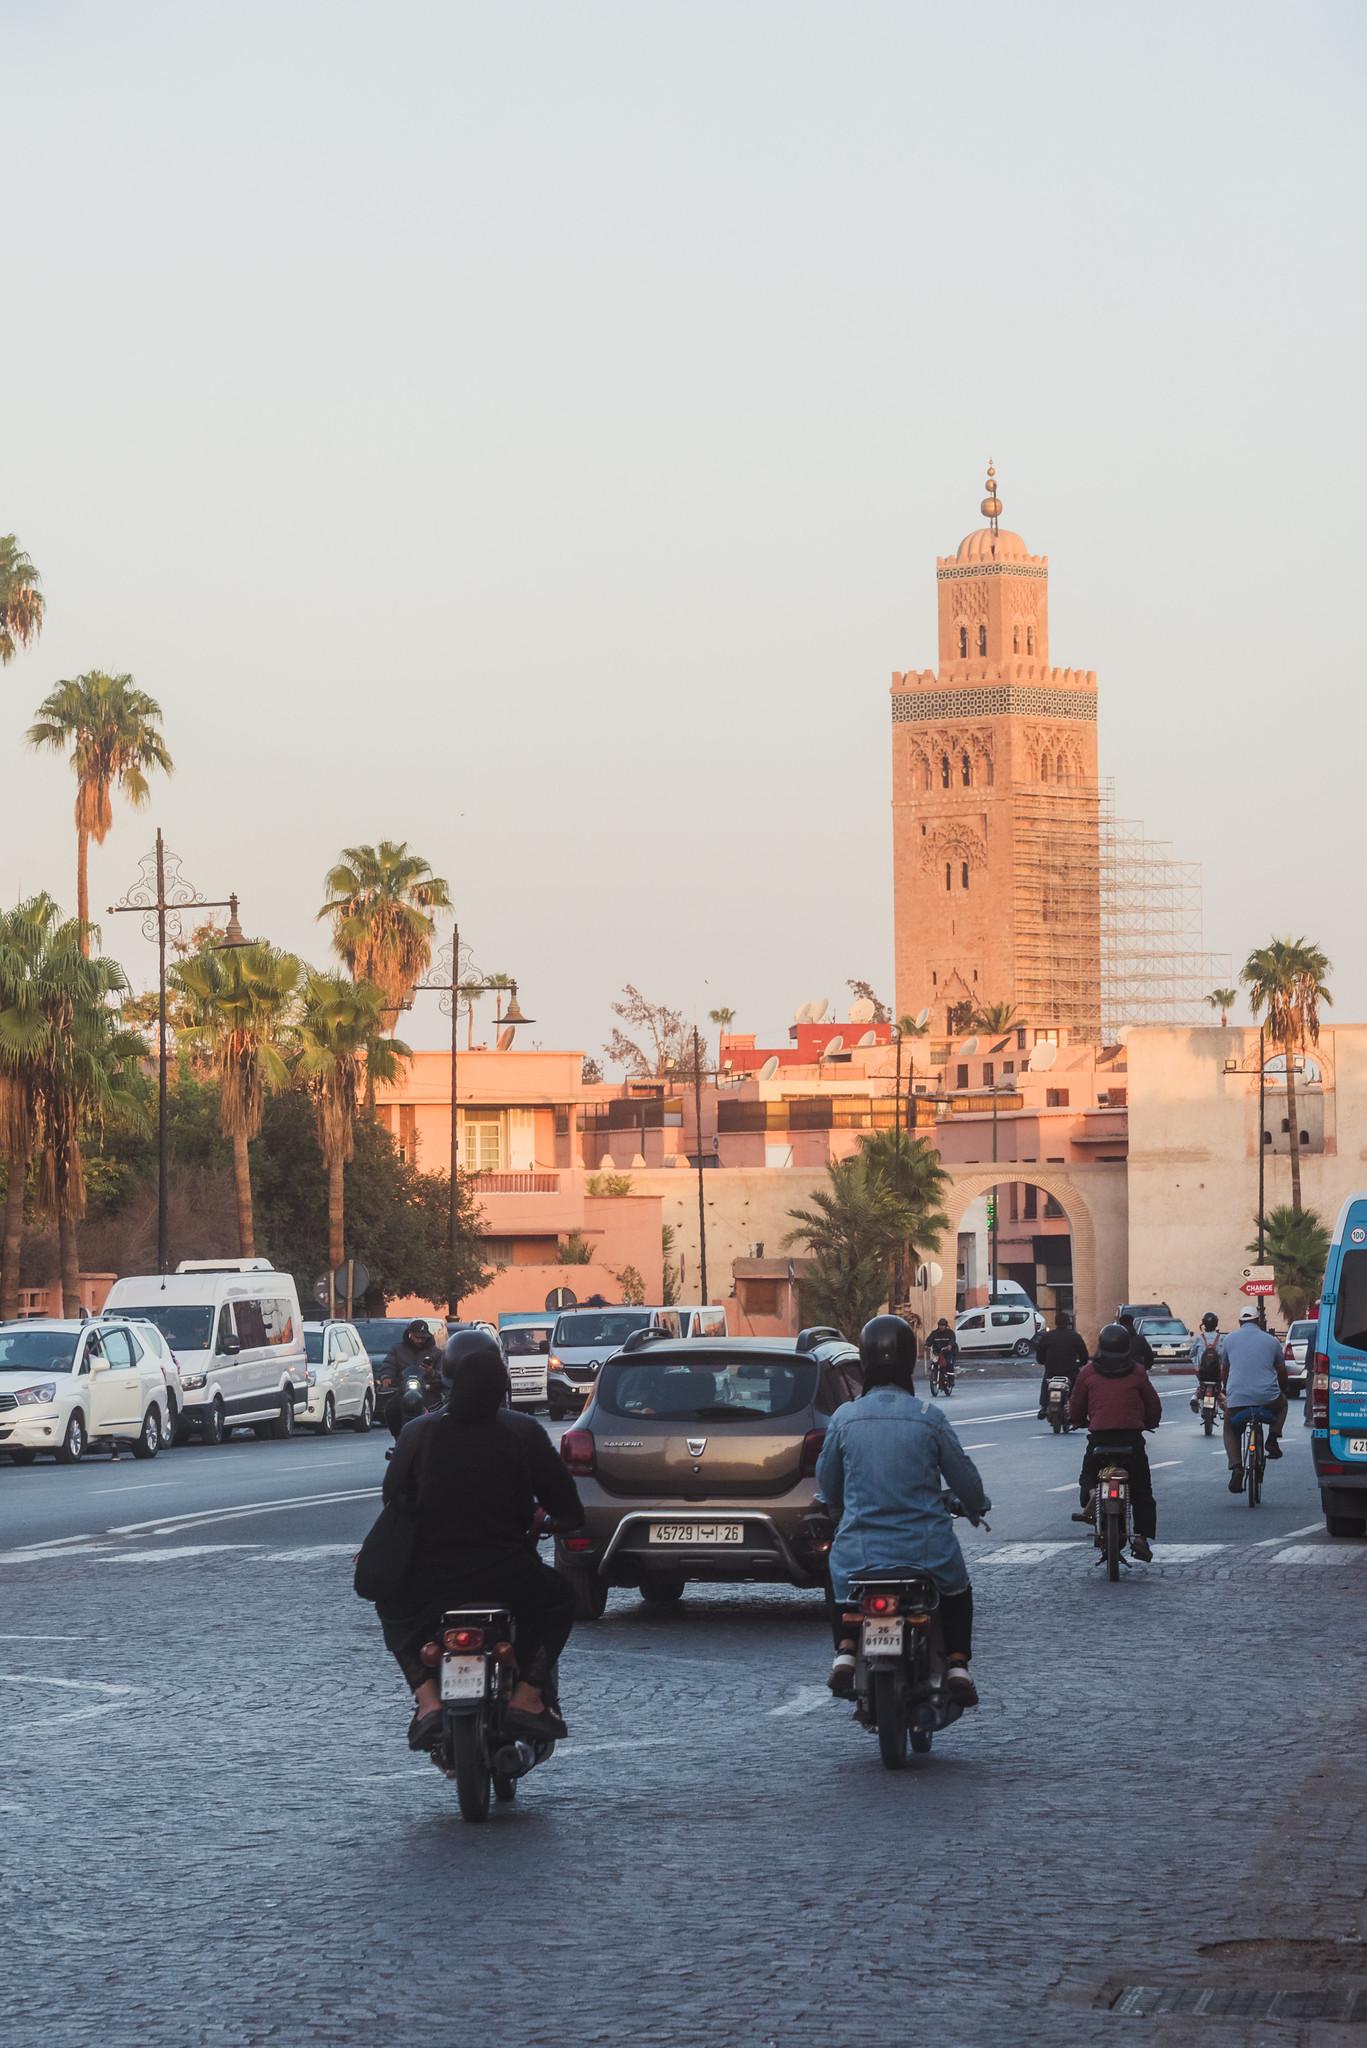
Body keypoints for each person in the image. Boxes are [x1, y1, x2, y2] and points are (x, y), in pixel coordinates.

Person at [378, 1328, 586, 1752]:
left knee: (390, 1603)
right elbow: (567, 1507)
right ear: (501, 1379)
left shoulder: (418, 1433)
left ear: (446, 1379)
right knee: (561, 1599)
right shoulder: (523, 1431)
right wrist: (553, 1521)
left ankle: (427, 1701)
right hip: (508, 1573)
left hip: (431, 1578)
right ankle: (528, 1698)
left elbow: (393, 1499)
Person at [817, 1314, 989, 1706]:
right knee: (958, 1590)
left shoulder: (844, 1418)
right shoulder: (929, 1418)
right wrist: (976, 1506)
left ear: (864, 1361)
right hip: (926, 1552)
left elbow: (827, 1483)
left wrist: (838, 1511)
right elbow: (964, 1478)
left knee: (835, 1579)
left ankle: (845, 1647)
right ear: (911, 1359)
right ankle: (959, 1665)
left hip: (859, 1551)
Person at [1069, 1321, 1162, 1561]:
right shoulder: (1138, 1372)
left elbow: (1076, 1405)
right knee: (1142, 1491)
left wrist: (1078, 1420)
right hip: (1131, 1440)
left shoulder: (1087, 1372)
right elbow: (1153, 1405)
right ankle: (1141, 1537)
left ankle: (1091, 1494)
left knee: (1088, 1474)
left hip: (1100, 1439)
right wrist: (1151, 1422)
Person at [1220, 1305, 1291, 1492]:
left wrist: (1227, 1390)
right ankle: (1273, 1439)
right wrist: (1283, 1389)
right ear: (1259, 1321)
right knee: (1283, 1404)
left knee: (1229, 1426)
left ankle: (1236, 1467)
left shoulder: (1229, 1340)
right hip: (1268, 1397)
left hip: (1238, 1398)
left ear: (1239, 1322)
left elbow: (1224, 1370)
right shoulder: (1272, 1341)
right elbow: (1281, 1370)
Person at [379, 1319, 440, 1427]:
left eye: (423, 1338)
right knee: (391, 1410)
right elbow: (389, 1364)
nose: (421, 1341)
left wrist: (432, 1373)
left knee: (437, 1411)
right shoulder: (397, 1350)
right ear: (410, 1334)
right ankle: (398, 1436)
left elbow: (444, 1373)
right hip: (403, 1391)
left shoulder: (436, 1352)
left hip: (428, 1391)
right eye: (418, 1337)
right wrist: (386, 1377)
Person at [1035, 1310, 1089, 1418]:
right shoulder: (1074, 1336)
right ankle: (1078, 1408)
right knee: (1077, 1387)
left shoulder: (1048, 1336)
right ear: (1068, 1322)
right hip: (1070, 1371)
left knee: (1046, 1383)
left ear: (1056, 1322)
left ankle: (1044, 1407)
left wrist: (1042, 1361)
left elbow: (1040, 1353)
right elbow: (1083, 1354)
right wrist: (1082, 1362)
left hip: (1052, 1370)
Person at [1189, 1312, 1223, 1412]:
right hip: (1217, 1373)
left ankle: (1195, 1397)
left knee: (1201, 1385)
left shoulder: (1199, 1338)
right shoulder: (1221, 1338)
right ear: (1216, 1324)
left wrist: (1196, 1366)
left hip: (1202, 1372)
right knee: (1219, 1388)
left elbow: (1192, 1354)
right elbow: (1225, 1356)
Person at [925, 1317, 958, 1393]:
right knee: (934, 1363)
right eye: (940, 1325)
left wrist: (950, 1345)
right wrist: (927, 1345)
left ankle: (951, 1380)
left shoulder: (950, 1333)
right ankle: (935, 1376)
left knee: (949, 1364)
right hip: (938, 1353)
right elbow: (929, 1339)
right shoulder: (935, 1333)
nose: (941, 1327)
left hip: (948, 1353)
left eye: (943, 1325)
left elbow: (952, 1340)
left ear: (946, 1325)